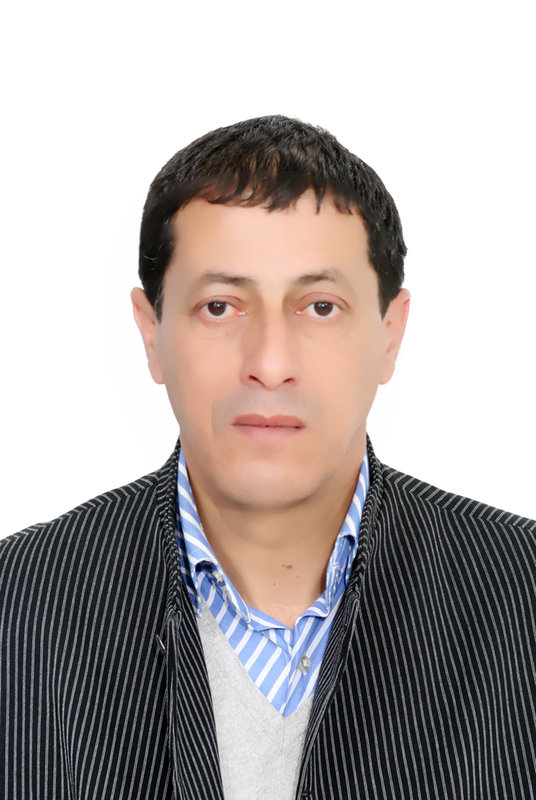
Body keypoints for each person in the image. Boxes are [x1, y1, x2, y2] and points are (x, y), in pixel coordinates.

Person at [1, 115, 535, 800]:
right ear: (151, 334)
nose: (271, 363)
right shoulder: (18, 606)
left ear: (390, 335)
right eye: (220, 307)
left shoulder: (521, 595)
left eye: (320, 307)